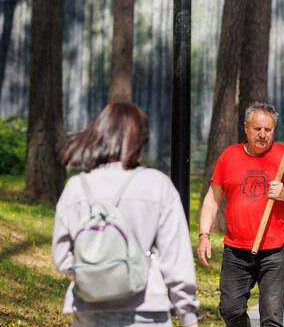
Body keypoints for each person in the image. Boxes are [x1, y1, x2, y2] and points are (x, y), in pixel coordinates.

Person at [52, 102, 199, 327]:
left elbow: (61, 258)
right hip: (147, 308)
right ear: (140, 140)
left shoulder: (76, 187)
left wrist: (97, 271)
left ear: (99, 135)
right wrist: (188, 314)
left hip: (89, 309)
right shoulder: (157, 185)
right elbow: (177, 259)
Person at [197, 102, 284, 327]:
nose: (263, 135)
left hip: (275, 249)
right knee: (230, 309)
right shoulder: (228, 156)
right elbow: (212, 199)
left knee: (271, 317)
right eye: (257, 129)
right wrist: (204, 235)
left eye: (268, 130)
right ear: (246, 127)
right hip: (236, 250)